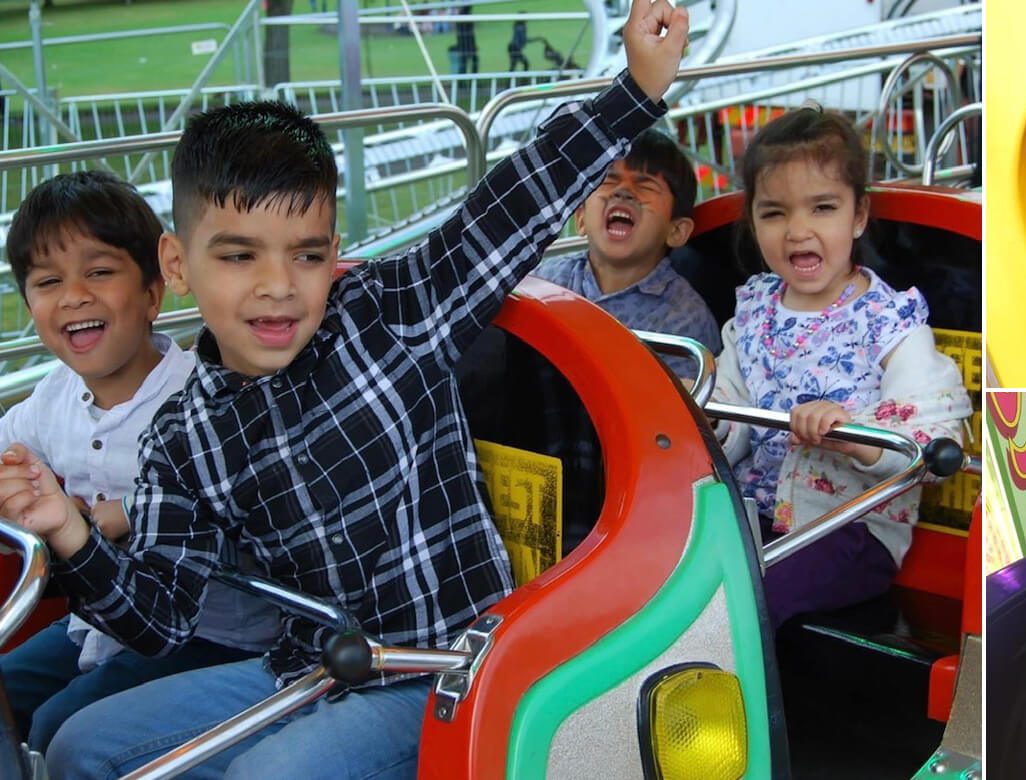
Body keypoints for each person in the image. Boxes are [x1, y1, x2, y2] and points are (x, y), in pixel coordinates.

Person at [0, 0, 688, 776]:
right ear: (176, 266)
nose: (277, 289)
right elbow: (158, 618)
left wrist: (636, 87)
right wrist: (68, 532)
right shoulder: (183, 435)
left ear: (335, 253)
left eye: (305, 255)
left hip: (440, 664)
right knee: (78, 747)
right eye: (237, 257)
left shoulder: (393, 315)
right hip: (314, 662)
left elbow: (513, 205)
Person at [0, 171, 278, 752]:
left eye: (99, 272)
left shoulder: (200, 399)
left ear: (154, 291)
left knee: (58, 727)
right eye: (48, 281)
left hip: (209, 635)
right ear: (29, 304)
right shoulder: (52, 399)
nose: (75, 296)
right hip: (98, 626)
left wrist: (124, 512)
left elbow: (226, 502)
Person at [710, 106, 971, 630]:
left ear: (857, 216)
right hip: (751, 517)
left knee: (744, 602)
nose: (798, 230)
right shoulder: (753, 309)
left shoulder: (889, 323)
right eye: (774, 213)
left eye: (822, 207)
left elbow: (938, 439)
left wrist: (855, 437)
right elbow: (731, 416)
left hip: (849, 529)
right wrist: (703, 410)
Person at [533, 128, 719, 372]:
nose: (623, 191)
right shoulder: (544, 284)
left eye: (646, 185)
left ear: (676, 231)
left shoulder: (685, 321)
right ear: (580, 218)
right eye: (609, 179)